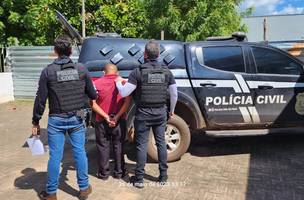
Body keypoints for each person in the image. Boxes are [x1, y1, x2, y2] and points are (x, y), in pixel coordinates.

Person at [31, 35, 96, 200]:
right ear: (71, 50)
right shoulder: (81, 69)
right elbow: (93, 94)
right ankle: (83, 188)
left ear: (55, 51)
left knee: (55, 156)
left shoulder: (48, 71)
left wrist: (35, 121)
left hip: (56, 121)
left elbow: (40, 99)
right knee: (80, 152)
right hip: (76, 119)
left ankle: (51, 193)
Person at [115, 40, 178, 188]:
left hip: (143, 114)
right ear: (158, 54)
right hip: (161, 113)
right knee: (161, 143)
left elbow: (124, 92)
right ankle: (163, 176)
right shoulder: (166, 71)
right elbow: (174, 94)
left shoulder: (138, 71)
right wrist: (172, 110)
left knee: (141, 145)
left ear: (145, 54)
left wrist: (118, 81)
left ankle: (139, 179)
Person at [90, 63, 131, 180]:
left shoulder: (96, 83)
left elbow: (92, 103)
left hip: (101, 121)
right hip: (119, 120)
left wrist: (105, 117)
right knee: (119, 145)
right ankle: (119, 173)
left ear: (104, 72)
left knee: (103, 146)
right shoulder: (123, 83)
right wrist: (117, 116)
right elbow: (127, 102)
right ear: (117, 73)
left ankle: (103, 174)